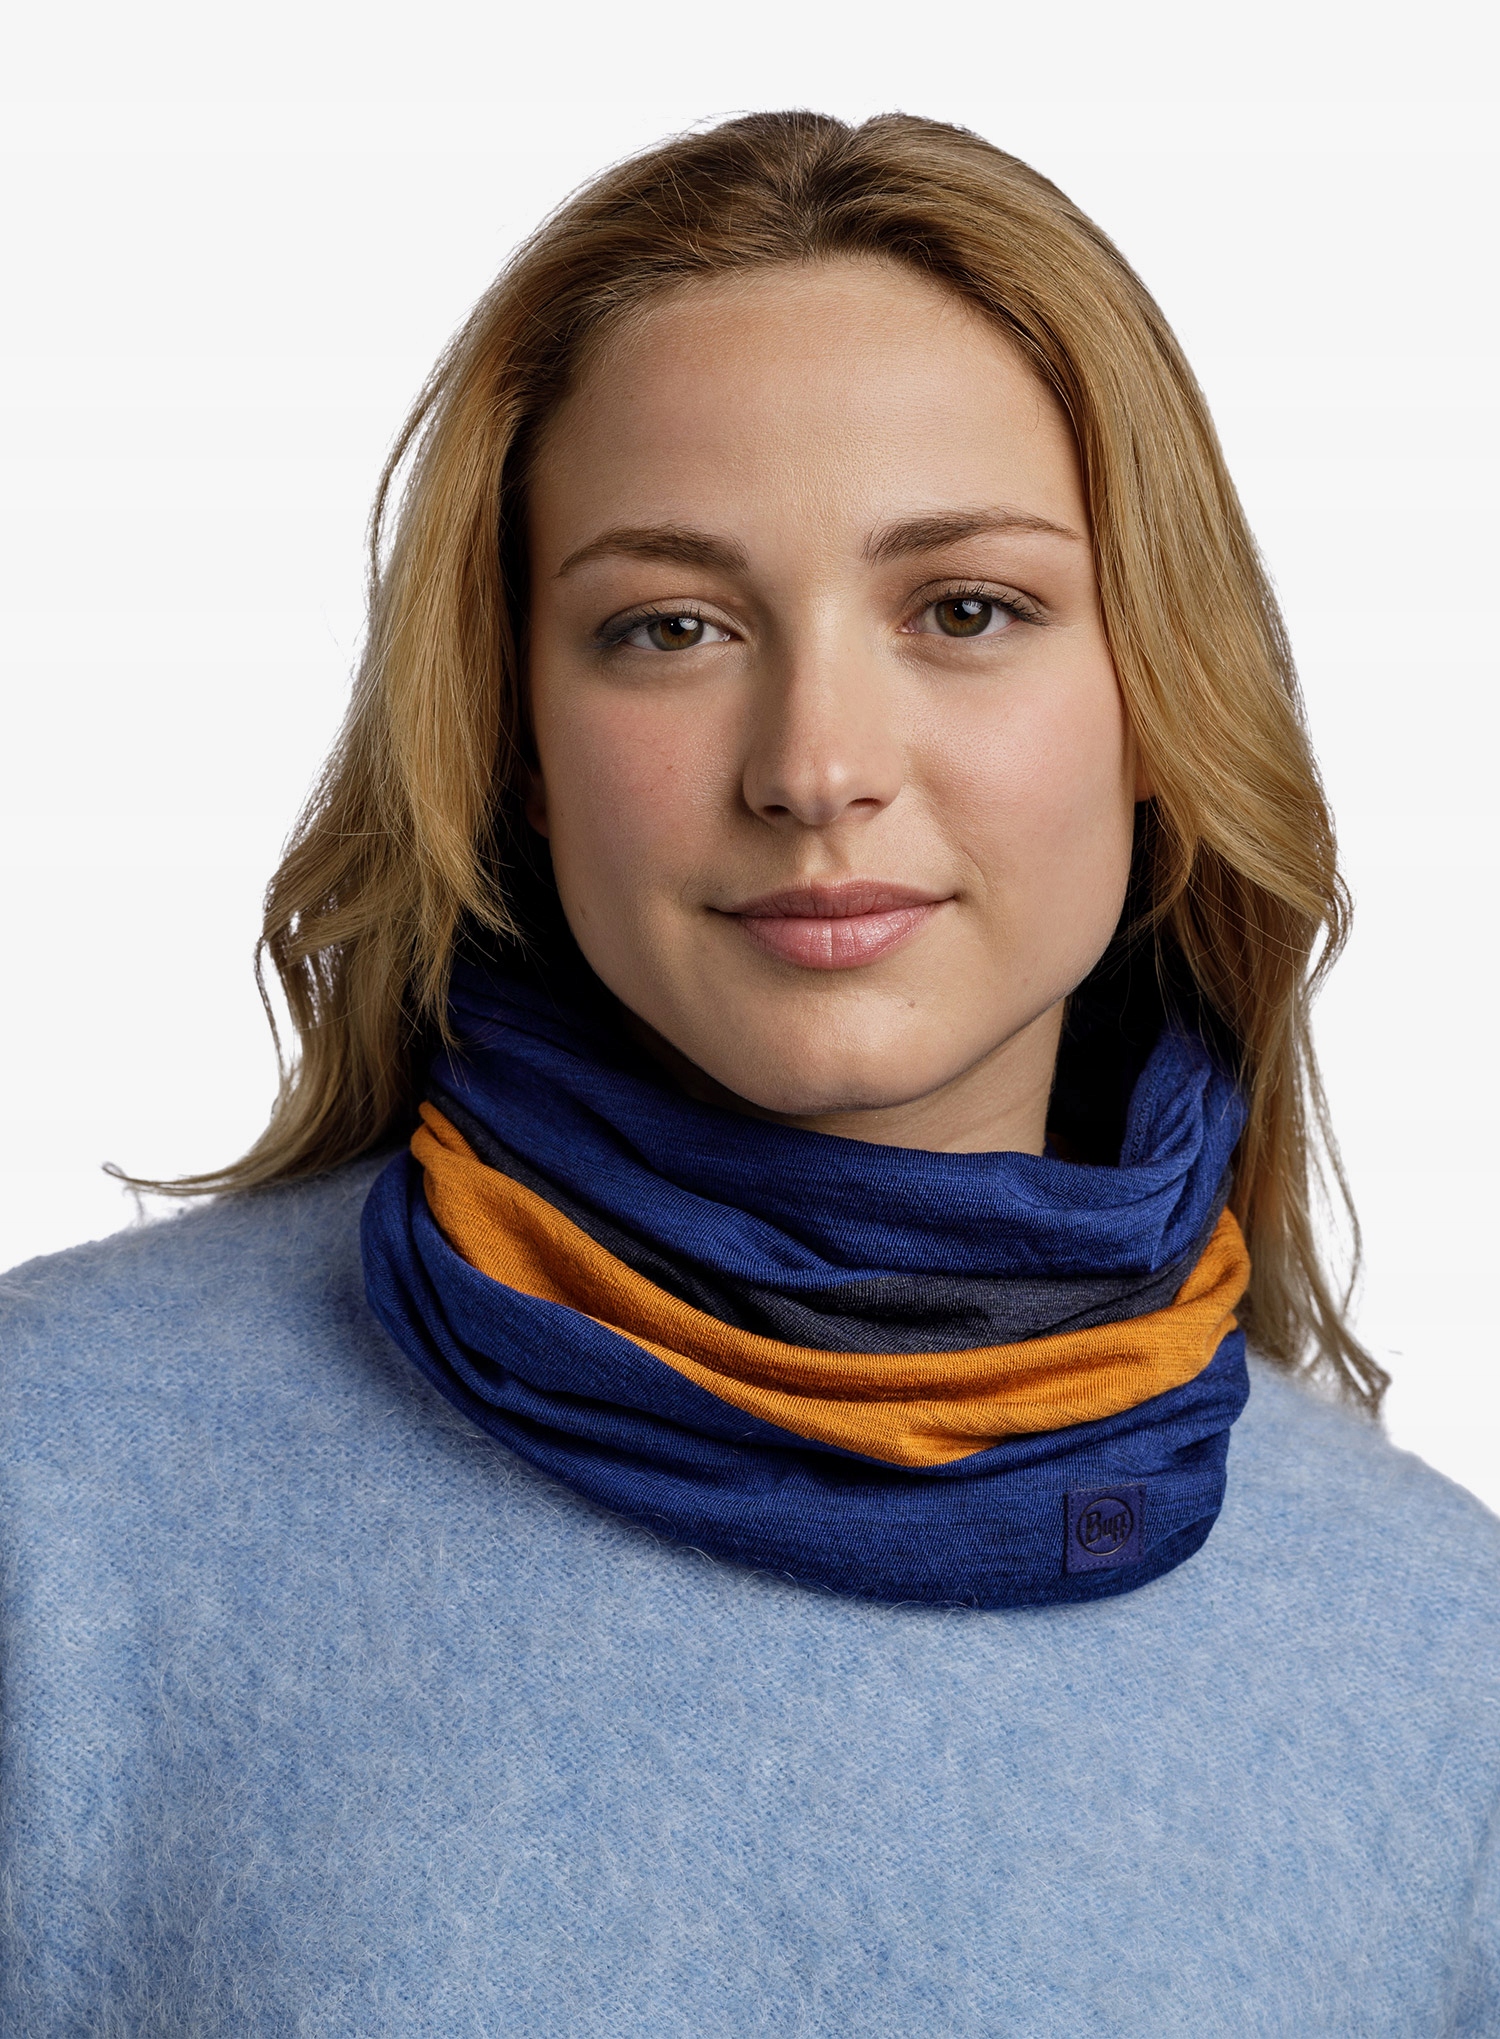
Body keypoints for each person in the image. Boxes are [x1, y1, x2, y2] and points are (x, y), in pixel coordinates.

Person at [1, 110, 1495, 2034]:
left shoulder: (1438, 1658)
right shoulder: (55, 1497)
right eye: (671, 628)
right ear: (517, 736)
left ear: (1157, 702)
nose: (814, 765)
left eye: (967, 610)